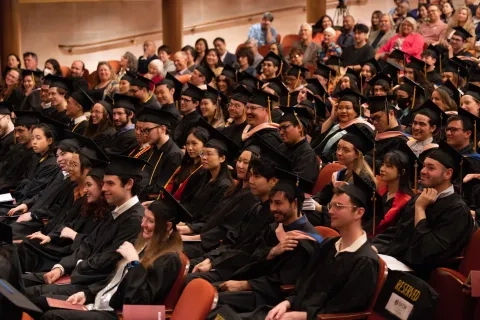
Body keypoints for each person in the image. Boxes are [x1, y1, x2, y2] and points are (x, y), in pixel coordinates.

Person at [40, 189, 186, 320]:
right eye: (144, 217)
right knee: (43, 301)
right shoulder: (144, 244)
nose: (143, 224)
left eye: (150, 221)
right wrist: (88, 294)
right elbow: (115, 280)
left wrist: (134, 263)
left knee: (52, 316)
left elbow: (139, 302)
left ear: (167, 226)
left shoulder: (169, 259)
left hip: (119, 314)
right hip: (105, 302)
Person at [244, 184, 379, 320]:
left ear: (359, 212)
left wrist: (298, 316)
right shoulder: (329, 245)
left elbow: (342, 311)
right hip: (293, 312)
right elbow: (303, 284)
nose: (330, 211)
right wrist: (287, 303)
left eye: (338, 206)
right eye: (330, 205)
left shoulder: (365, 261)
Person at [22, 155, 147, 299]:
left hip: (91, 285)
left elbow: (108, 259)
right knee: (20, 281)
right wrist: (61, 268)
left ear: (129, 184)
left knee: (30, 295)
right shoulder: (116, 210)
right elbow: (87, 245)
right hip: (80, 273)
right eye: (104, 183)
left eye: (110, 183)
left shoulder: (135, 220)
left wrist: (78, 266)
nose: (104, 188)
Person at [208, 169, 321, 315]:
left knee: (213, 303)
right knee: (202, 290)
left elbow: (283, 283)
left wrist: (245, 285)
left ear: (294, 203)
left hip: (269, 298)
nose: (273, 208)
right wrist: (272, 252)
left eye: (279, 203)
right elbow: (253, 257)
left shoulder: (305, 240)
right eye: (272, 203)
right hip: (254, 285)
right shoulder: (275, 228)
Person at [136, 107, 183, 200]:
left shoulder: (174, 155)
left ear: (162, 129)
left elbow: (161, 189)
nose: (145, 135)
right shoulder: (153, 148)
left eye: (148, 130)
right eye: (143, 131)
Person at [366, 95, 409, 173]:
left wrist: (365, 159)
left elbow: (391, 169)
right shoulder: (373, 136)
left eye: (377, 118)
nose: (374, 122)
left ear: (391, 114)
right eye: (372, 119)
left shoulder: (400, 142)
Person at [172, 83, 203, 148]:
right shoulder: (184, 117)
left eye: (186, 100)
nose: (182, 102)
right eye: (182, 99)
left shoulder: (197, 122)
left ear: (196, 103)